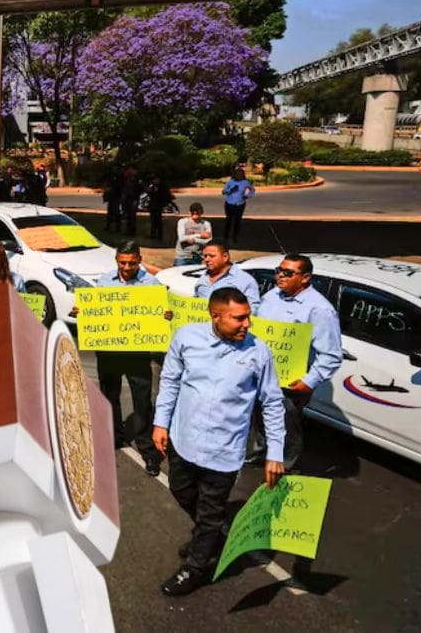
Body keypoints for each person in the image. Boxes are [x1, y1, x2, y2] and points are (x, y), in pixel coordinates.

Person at [152, 286, 286, 597]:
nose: (247, 324)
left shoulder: (258, 352)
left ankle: (196, 567)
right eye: (239, 319)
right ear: (216, 316)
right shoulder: (186, 338)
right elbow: (170, 380)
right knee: (181, 490)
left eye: (248, 317)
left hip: (224, 452)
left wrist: (275, 452)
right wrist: (161, 422)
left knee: (211, 511)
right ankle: (208, 534)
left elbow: (272, 403)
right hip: (183, 441)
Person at [253, 254, 342, 469]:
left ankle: (285, 465)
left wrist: (309, 382)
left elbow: (331, 355)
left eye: (288, 272)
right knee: (259, 418)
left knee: (286, 424)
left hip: (290, 382)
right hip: (261, 374)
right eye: (279, 270)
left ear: (305, 278)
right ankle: (260, 454)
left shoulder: (320, 309)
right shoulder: (272, 296)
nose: (280, 276)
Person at [91, 241, 165, 475]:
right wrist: (83, 312)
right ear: (116, 260)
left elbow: (160, 313)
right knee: (109, 397)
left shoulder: (151, 284)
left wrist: (164, 314)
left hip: (137, 354)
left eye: (132, 263)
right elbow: (96, 311)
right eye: (122, 262)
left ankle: (147, 450)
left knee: (142, 402)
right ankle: (114, 436)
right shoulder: (104, 281)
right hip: (109, 352)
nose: (126, 267)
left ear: (140, 260)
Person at [194, 239, 261, 311]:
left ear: (225, 257)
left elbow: (253, 309)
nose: (207, 259)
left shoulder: (245, 280)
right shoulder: (203, 279)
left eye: (212, 256)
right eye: (205, 256)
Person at [222, 166, 256, 244]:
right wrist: (231, 190)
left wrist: (247, 196)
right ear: (235, 174)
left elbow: (252, 190)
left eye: (240, 174)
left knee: (237, 221)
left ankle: (234, 237)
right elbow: (223, 192)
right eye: (237, 174)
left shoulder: (245, 182)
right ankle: (225, 237)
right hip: (229, 203)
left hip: (240, 204)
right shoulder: (231, 182)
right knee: (229, 220)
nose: (239, 175)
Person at [145, 175, 174, 240]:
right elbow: (149, 192)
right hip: (153, 205)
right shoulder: (152, 186)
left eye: (156, 179)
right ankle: (153, 233)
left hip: (158, 205)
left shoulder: (162, 186)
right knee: (153, 220)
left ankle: (159, 235)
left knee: (158, 220)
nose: (155, 181)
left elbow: (165, 196)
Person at [120, 166, 142, 236]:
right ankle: (127, 230)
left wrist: (135, 199)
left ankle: (132, 231)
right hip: (127, 199)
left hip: (133, 200)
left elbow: (138, 190)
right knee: (127, 216)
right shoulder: (125, 182)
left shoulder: (136, 182)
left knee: (132, 216)